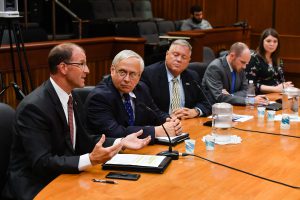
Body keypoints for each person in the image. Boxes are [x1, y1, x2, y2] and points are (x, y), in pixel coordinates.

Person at [2, 43, 151, 200]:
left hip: (65, 176)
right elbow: (42, 162)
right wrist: (90, 159)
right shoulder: (34, 107)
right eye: (81, 64)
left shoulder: (73, 98)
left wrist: (121, 142)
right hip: (36, 186)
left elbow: (84, 141)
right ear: (63, 68)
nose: (87, 70)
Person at [84, 50, 182, 142]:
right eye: (122, 72)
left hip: (138, 149)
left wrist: (170, 121)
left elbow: (155, 113)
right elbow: (115, 132)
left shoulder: (141, 88)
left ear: (139, 76)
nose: (127, 79)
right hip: (110, 153)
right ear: (112, 70)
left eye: (133, 74)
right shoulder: (99, 97)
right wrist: (156, 132)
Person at [141, 39, 211, 119]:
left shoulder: (192, 76)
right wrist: (168, 118)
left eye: (184, 57)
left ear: (189, 61)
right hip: (161, 125)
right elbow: (146, 107)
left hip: (187, 123)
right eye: (175, 55)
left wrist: (196, 111)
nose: (179, 60)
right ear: (167, 54)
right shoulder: (149, 74)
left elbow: (207, 101)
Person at [202, 42, 269, 106]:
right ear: (232, 56)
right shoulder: (215, 68)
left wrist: (230, 96)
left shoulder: (240, 67)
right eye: (243, 62)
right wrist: (250, 100)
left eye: (246, 63)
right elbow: (219, 97)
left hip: (235, 107)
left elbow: (246, 90)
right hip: (214, 110)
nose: (244, 66)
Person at [245, 28, 293, 94]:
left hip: (278, 94)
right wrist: (275, 89)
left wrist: (285, 85)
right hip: (261, 97)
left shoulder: (278, 59)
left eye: (275, 41)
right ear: (262, 42)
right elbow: (250, 85)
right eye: (268, 41)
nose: (272, 44)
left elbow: (281, 80)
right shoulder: (253, 59)